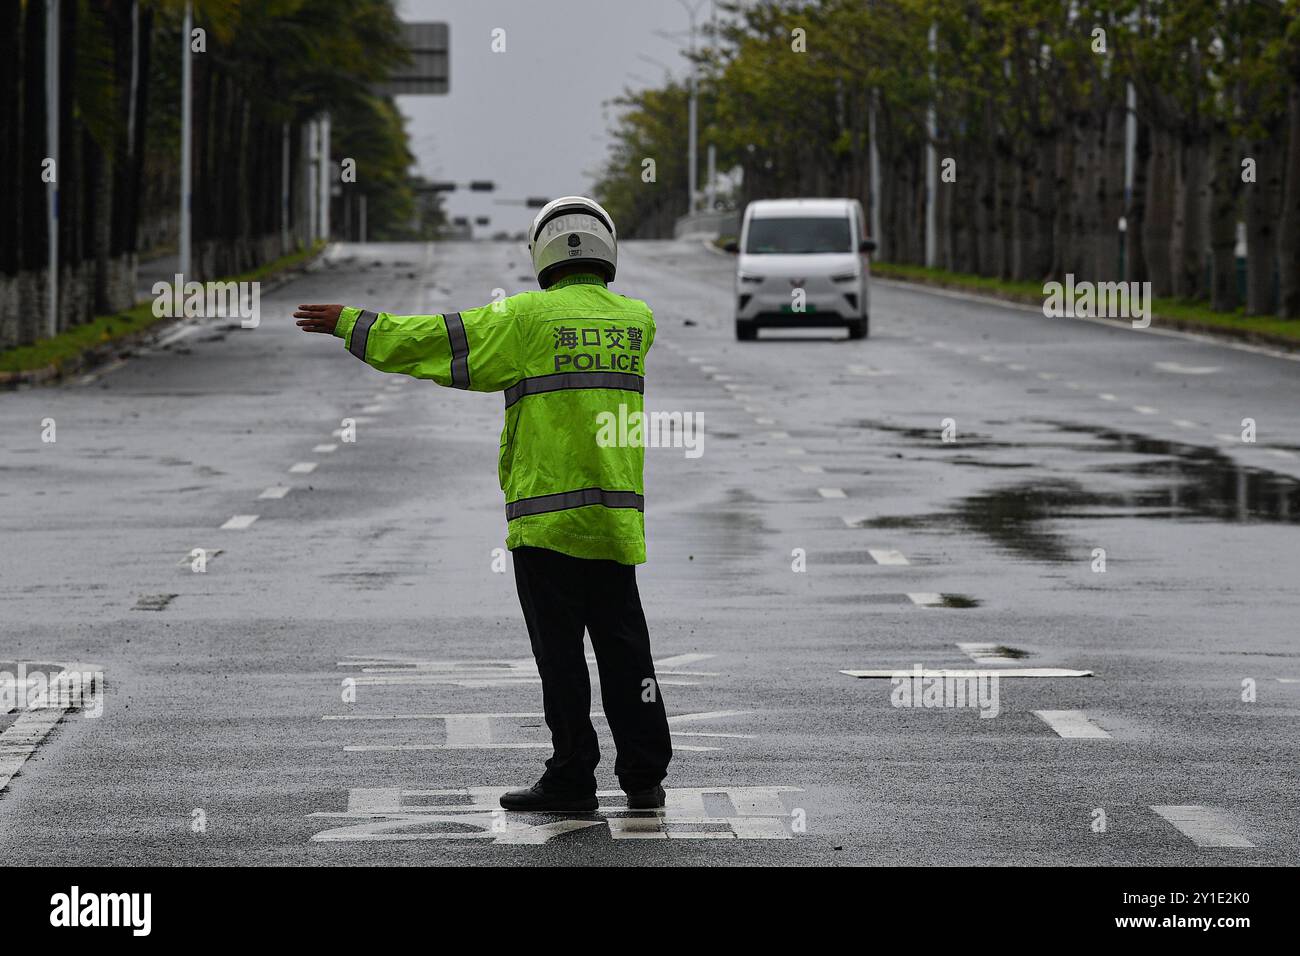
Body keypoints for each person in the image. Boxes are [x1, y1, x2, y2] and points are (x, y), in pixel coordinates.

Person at [294, 196, 672, 812]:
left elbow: (433, 341)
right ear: (606, 249)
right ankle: (645, 778)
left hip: (548, 524)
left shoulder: (526, 320)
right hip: (615, 522)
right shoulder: (638, 322)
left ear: (543, 252)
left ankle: (573, 776)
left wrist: (352, 323)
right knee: (628, 653)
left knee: (562, 661)